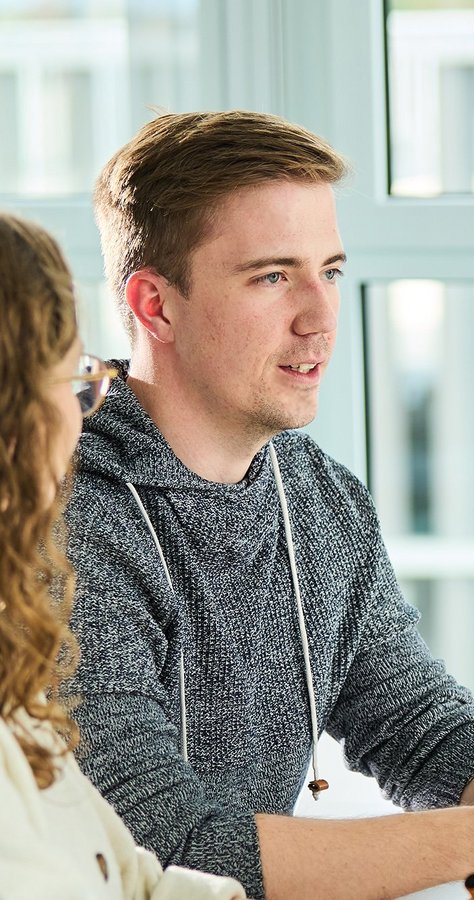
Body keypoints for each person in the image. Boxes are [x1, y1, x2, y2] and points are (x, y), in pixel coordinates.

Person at [64, 110, 474, 900]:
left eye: (329, 271)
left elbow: (411, 717)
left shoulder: (316, 492)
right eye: (273, 276)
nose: (320, 315)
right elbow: (154, 838)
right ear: (155, 304)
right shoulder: (66, 517)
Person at [0, 212, 245, 898]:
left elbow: (132, 878)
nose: (84, 415)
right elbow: (169, 830)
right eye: (75, 378)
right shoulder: (93, 529)